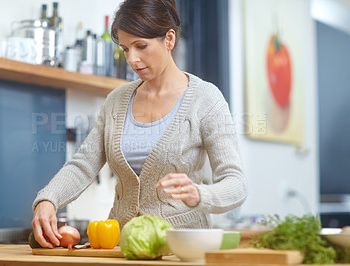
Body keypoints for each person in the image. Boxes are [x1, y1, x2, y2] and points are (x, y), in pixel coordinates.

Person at [31, 0, 247, 248]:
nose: (132, 59)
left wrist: (201, 194)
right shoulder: (117, 100)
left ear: (169, 39)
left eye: (141, 46)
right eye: (125, 49)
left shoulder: (206, 99)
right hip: (122, 247)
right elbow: (83, 165)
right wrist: (49, 199)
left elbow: (236, 183)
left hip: (179, 249)